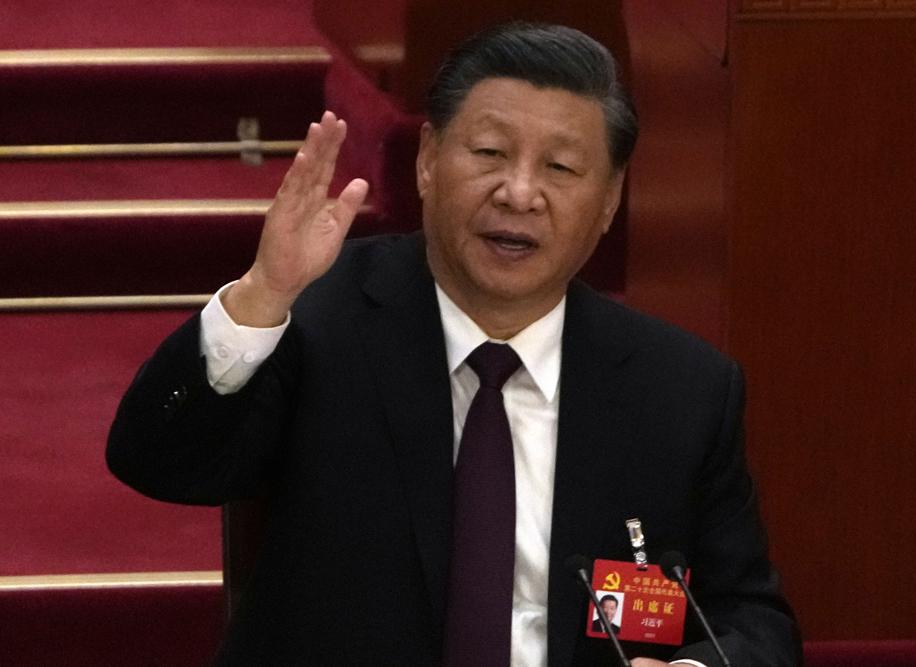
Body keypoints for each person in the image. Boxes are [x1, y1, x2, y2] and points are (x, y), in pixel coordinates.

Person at [107, 22, 800, 667]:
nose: (519, 193)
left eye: (561, 168)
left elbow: (754, 620)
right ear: (428, 160)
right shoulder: (322, 321)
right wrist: (261, 295)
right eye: (490, 153)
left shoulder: (679, 389)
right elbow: (158, 462)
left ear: (611, 199)